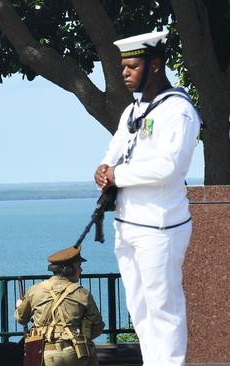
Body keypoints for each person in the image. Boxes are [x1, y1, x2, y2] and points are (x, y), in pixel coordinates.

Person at [94, 31, 202, 366]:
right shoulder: (133, 111)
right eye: (123, 66)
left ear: (155, 65)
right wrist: (102, 169)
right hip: (128, 224)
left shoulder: (178, 111)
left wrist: (118, 176)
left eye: (132, 66)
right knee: (139, 308)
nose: (124, 73)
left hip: (160, 226)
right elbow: (114, 150)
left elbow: (170, 166)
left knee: (163, 309)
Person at [15, 246, 104, 366]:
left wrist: (19, 306)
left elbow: (21, 319)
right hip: (75, 353)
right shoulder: (82, 293)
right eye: (78, 266)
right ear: (68, 269)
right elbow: (98, 324)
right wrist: (81, 337)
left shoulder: (34, 290)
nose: (81, 270)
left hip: (43, 353)